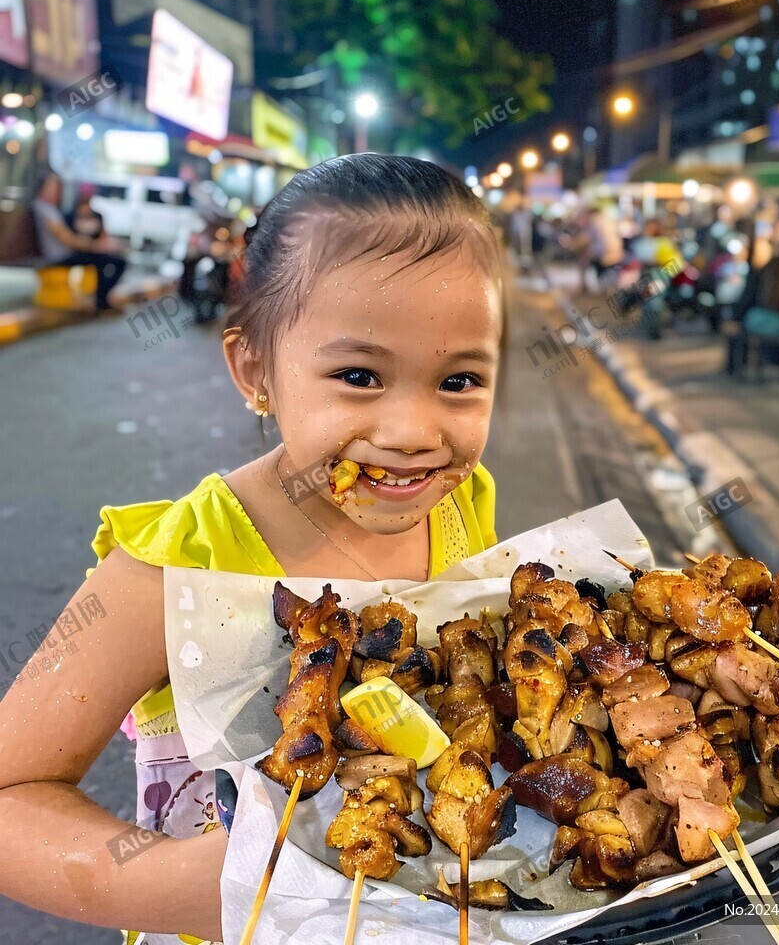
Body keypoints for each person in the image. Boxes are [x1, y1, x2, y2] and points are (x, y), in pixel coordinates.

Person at [0, 155, 506, 944]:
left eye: (460, 381)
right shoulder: (171, 565)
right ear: (256, 369)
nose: (414, 434)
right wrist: (187, 889)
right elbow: (10, 791)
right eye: (359, 374)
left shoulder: (465, 503)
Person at [32, 172, 127, 312]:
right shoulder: (43, 208)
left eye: (57, 187)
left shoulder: (54, 209)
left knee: (113, 260)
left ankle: (101, 299)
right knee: (105, 261)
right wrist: (94, 246)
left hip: (68, 251)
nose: (55, 191)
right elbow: (66, 238)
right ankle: (101, 301)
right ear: (42, 188)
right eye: (52, 187)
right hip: (59, 256)